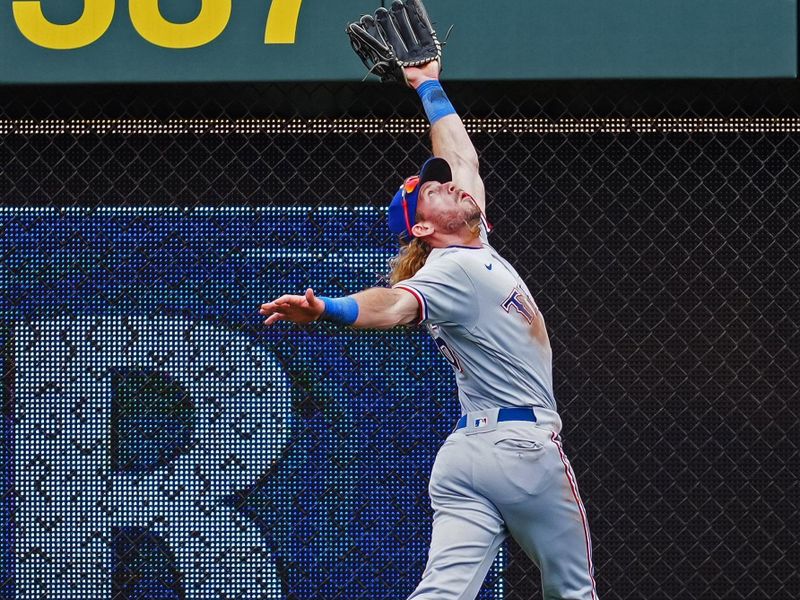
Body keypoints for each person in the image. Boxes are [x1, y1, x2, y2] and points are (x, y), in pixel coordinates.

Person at [259, 60, 598, 600]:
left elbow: (462, 156)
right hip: (521, 448)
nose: (450, 185)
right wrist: (330, 309)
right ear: (422, 226)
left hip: (467, 458)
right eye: (433, 190)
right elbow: (394, 306)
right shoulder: (450, 269)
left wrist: (426, 85)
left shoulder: (472, 240)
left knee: (443, 593)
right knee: (573, 592)